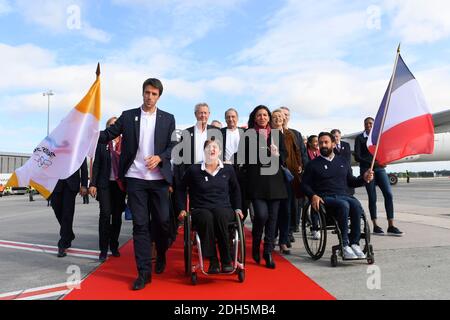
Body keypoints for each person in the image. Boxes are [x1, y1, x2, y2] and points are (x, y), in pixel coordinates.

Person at [98, 78, 176, 290]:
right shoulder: (128, 116)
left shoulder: (168, 119)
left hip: (159, 179)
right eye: (147, 93)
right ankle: (143, 272)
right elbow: (108, 134)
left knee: (162, 222)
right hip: (135, 179)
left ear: (159, 96)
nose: (149, 97)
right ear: (142, 93)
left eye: (154, 94)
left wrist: (160, 157)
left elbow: (173, 146)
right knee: (140, 225)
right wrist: (88, 133)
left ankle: (160, 253)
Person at [301, 132, 374, 259]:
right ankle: (344, 245)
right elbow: (305, 185)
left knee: (356, 204)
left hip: (343, 194)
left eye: (326, 142)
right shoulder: (312, 164)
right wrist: (313, 195)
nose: (323, 145)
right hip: (325, 197)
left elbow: (351, 181)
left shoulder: (343, 161)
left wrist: (364, 178)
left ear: (333, 144)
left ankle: (355, 243)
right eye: (320, 143)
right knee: (344, 205)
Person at [177, 140, 243, 274]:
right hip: (200, 208)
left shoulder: (228, 169)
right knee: (206, 217)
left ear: (219, 151)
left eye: (215, 147)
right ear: (204, 150)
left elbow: (236, 190)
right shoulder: (194, 170)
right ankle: (213, 261)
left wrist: (238, 208)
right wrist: (182, 208)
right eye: (208, 147)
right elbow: (181, 189)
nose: (212, 149)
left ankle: (226, 260)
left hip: (223, 207)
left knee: (219, 215)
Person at [244, 105, 288, 269]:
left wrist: (277, 155)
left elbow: (285, 156)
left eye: (264, 115)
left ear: (268, 117)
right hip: (257, 183)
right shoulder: (248, 135)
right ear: (254, 118)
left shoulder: (277, 135)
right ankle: (256, 243)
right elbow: (245, 157)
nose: (262, 117)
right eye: (259, 115)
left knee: (272, 220)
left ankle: (268, 252)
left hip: (275, 184)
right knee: (261, 216)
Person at [354, 117, 404, 236]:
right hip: (367, 169)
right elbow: (357, 156)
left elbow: (384, 151)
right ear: (364, 125)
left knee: (388, 193)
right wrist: (372, 162)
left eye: (371, 123)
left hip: (380, 169)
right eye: (366, 124)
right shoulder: (360, 138)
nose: (368, 125)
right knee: (372, 197)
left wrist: (384, 160)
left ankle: (391, 225)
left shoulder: (378, 138)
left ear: (374, 125)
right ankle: (375, 225)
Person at [89, 117, 127, 262]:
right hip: (104, 185)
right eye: (111, 125)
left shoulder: (126, 143)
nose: (114, 127)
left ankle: (114, 246)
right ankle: (103, 249)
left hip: (120, 186)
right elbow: (96, 164)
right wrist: (93, 184)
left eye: (116, 124)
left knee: (117, 217)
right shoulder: (102, 143)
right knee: (105, 215)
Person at [272, 109, 303, 255]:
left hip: (289, 175)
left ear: (285, 119)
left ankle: (283, 241)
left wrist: (299, 166)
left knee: (286, 209)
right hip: (272, 175)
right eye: (275, 116)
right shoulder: (269, 134)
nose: (278, 118)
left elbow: (297, 152)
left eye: (281, 116)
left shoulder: (290, 134)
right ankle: (272, 237)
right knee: (274, 210)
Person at [51, 159, 88, 258]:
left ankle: (62, 244)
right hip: (56, 182)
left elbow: (83, 167)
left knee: (67, 213)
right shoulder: (56, 144)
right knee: (56, 208)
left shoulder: (79, 145)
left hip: (71, 184)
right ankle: (69, 234)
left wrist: (84, 185)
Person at [280, 106, 308, 236]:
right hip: (279, 173)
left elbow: (302, 152)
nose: (284, 117)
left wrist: (302, 166)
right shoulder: (272, 132)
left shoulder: (295, 133)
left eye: (286, 115)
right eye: (281, 114)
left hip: (293, 174)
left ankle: (291, 229)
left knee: (293, 204)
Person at [220, 108, 249, 221]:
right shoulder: (219, 133)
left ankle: (239, 224)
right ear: (225, 119)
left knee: (243, 202)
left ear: (237, 118)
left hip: (242, 171)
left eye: (233, 117)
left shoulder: (245, 133)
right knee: (227, 198)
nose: (231, 119)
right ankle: (229, 225)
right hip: (225, 169)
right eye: (228, 117)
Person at [331, 129, 354, 195]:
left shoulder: (346, 145)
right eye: (333, 137)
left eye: (337, 136)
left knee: (349, 190)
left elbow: (348, 157)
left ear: (340, 136)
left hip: (347, 169)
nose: (335, 138)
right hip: (336, 171)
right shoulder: (330, 147)